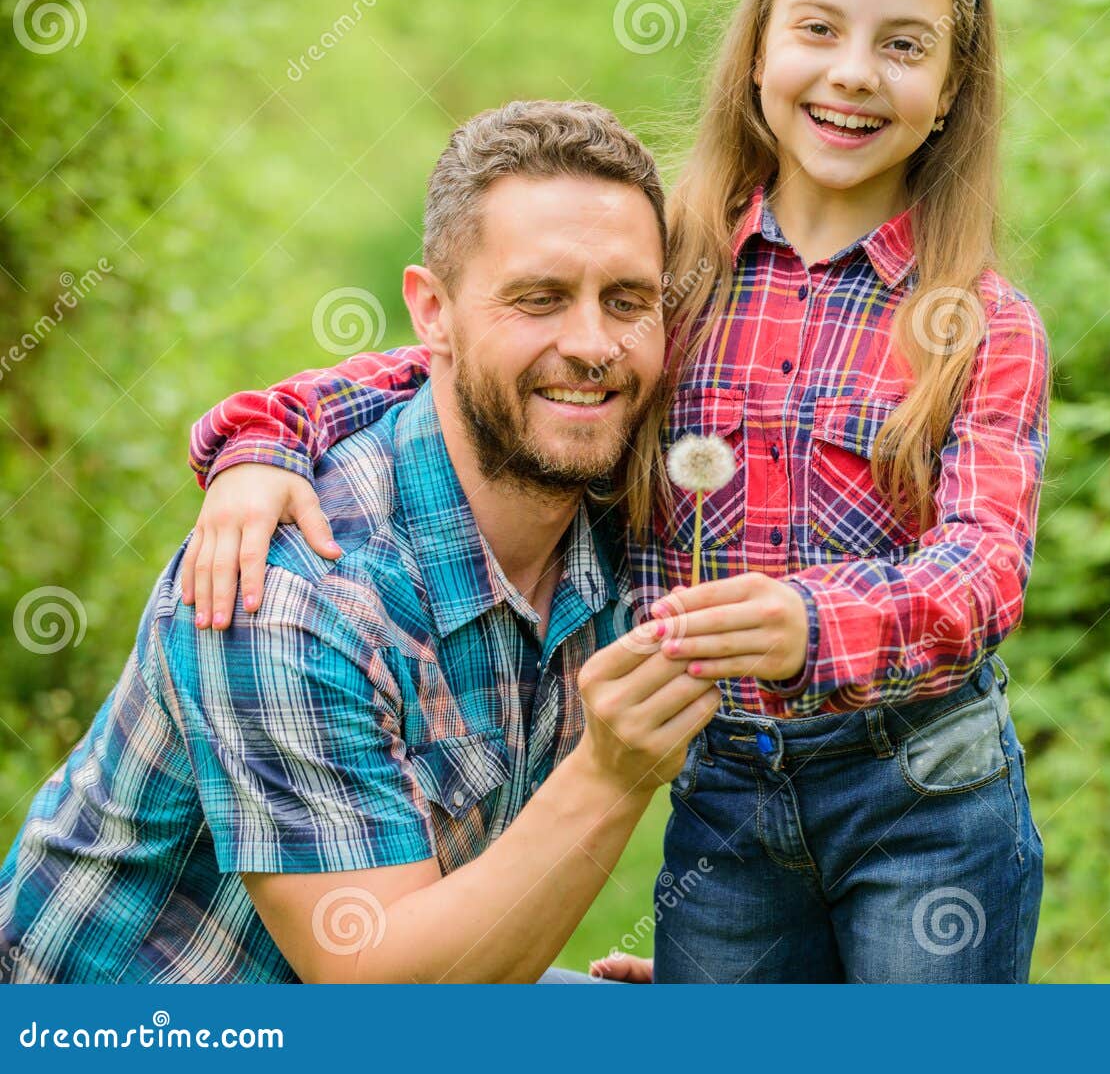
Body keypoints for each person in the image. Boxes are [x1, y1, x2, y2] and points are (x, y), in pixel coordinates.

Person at [181, 0, 1049, 983]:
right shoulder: (676, 273)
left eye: (904, 46)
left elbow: (985, 566)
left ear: (954, 87)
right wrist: (265, 440)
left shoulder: (976, 320)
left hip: (925, 792)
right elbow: (464, 366)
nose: (854, 74)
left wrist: (808, 622)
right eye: (817, 29)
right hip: (726, 791)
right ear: (758, 55)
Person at [0, 99, 720, 984]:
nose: (592, 345)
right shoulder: (290, 583)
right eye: (539, 298)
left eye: (627, 302)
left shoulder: (620, 503)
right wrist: (613, 776)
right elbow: (378, 998)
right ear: (434, 310)